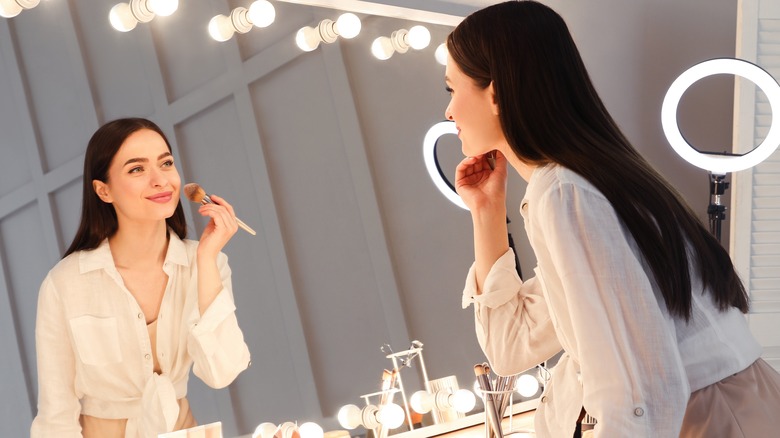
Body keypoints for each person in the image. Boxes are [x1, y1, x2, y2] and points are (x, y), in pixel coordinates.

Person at [447, 1, 780, 437]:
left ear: (495, 92)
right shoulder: (586, 181)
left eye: (451, 89)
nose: (449, 112)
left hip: (709, 415)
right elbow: (511, 349)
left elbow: (639, 390)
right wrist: (487, 213)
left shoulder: (566, 193)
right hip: (723, 405)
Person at [30, 118, 251, 437]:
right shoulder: (65, 283)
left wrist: (206, 258)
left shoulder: (206, 262)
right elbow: (56, 413)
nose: (161, 180)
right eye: (137, 169)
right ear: (103, 190)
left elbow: (223, 371)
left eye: (166, 163)